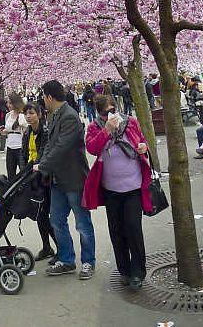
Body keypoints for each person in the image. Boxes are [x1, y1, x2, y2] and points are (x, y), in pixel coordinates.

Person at [83, 95, 152, 291]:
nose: (111, 115)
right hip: (110, 189)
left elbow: (143, 142)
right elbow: (92, 148)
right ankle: (125, 270)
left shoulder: (130, 122)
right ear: (99, 113)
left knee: (133, 229)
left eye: (113, 110)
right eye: (106, 113)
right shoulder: (95, 127)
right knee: (117, 231)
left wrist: (143, 147)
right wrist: (106, 130)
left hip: (133, 187)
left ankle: (138, 272)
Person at [33, 80, 95, 280]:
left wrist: (43, 165)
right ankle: (67, 260)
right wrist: (41, 161)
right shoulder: (55, 115)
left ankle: (88, 262)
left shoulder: (69, 116)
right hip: (57, 179)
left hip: (74, 178)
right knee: (57, 220)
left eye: (44, 96)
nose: (43, 100)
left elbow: (62, 147)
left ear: (49, 97)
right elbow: (51, 145)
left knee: (82, 223)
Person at [23, 102, 57, 261]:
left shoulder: (45, 131)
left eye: (32, 113)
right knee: (40, 214)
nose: (29, 116)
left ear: (39, 114)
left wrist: (37, 167)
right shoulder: (27, 132)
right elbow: (23, 155)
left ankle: (61, 248)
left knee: (46, 213)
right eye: (26, 113)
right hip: (31, 177)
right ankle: (46, 247)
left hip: (44, 179)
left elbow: (44, 152)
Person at [0, 93, 27, 180]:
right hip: (10, 146)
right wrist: (3, 131)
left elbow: (26, 129)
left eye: (10, 103)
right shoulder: (8, 115)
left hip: (20, 147)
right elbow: (8, 130)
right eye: (7, 103)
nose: (8, 105)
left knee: (23, 173)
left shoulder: (22, 115)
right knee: (10, 173)